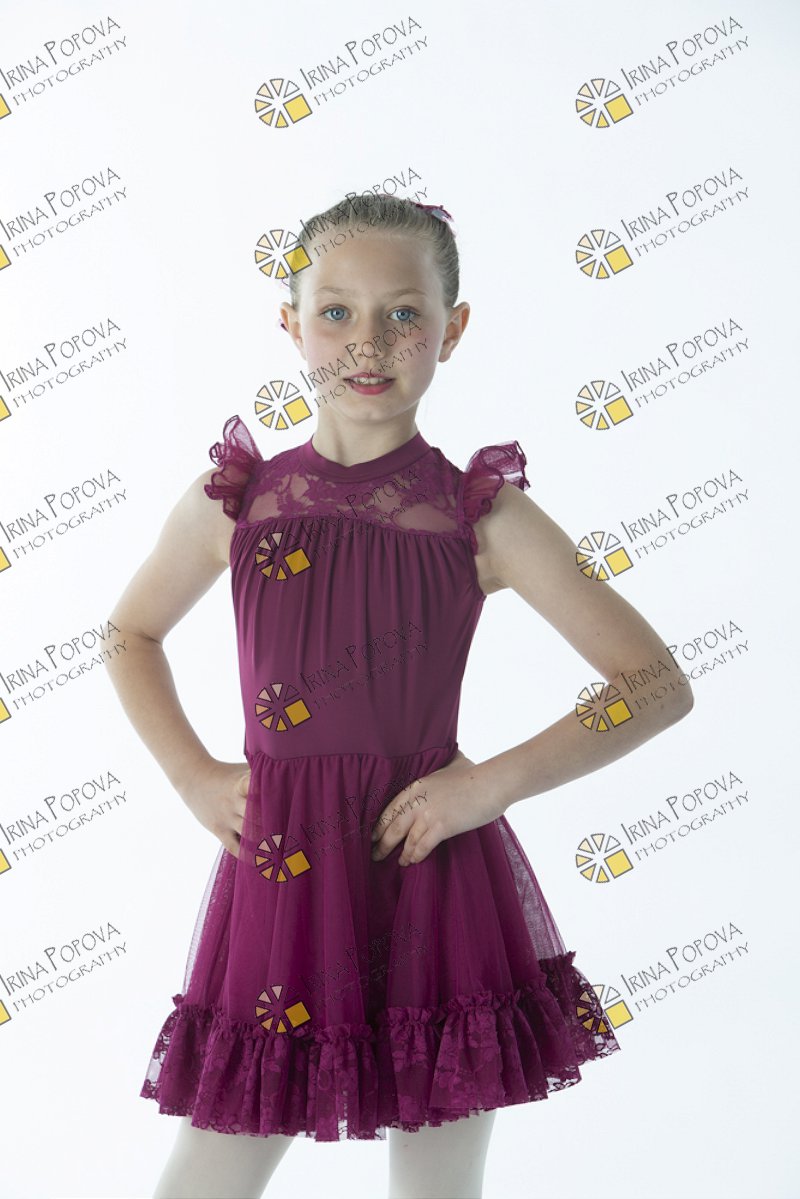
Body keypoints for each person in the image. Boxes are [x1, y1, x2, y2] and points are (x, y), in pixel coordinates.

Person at [106, 192, 693, 1199]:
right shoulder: (239, 503)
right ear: (290, 324)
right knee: (210, 1168)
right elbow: (130, 634)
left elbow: (652, 684)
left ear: (451, 330)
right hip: (286, 873)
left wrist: (486, 785)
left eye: (404, 314)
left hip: (433, 871)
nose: (368, 342)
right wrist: (193, 774)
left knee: (438, 1180)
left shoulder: (479, 516)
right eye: (335, 312)